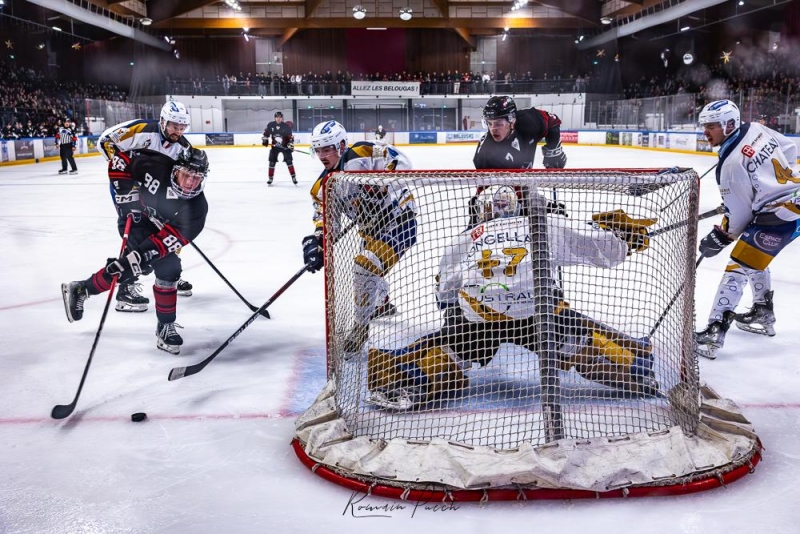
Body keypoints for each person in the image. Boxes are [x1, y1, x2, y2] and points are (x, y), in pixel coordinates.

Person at [366, 185, 659, 410]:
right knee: (579, 345)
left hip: (478, 314)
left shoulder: (467, 236)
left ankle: (407, 380)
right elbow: (601, 249)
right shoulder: (544, 224)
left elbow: (445, 290)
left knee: (452, 349)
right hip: (535, 313)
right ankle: (637, 371)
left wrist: (454, 316)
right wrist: (623, 238)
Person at [61, 148, 210, 355]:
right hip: (136, 217)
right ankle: (82, 289)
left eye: (196, 178)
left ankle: (82, 288)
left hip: (160, 230)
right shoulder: (156, 166)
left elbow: (166, 242)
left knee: (163, 267)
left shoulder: (197, 209)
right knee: (145, 266)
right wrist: (125, 195)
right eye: (186, 175)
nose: (189, 183)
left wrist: (140, 257)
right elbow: (119, 161)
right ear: (176, 169)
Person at [695, 99, 799, 359]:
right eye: (704, 126)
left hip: (780, 217)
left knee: (738, 265)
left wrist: (721, 236)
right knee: (754, 256)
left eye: (712, 126)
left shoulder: (730, 166)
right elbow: (790, 147)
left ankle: (714, 332)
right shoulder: (755, 129)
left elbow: (739, 217)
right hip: (795, 200)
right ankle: (763, 312)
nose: (706, 132)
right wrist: (772, 185)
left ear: (729, 125)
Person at [302, 120, 416, 352]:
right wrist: (317, 242)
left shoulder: (361, 153)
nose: (322, 155)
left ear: (342, 145)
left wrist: (384, 181)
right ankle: (381, 304)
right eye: (318, 150)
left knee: (364, 267)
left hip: (399, 220)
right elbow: (327, 224)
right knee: (369, 271)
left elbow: (401, 160)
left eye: (328, 148)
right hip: (371, 231)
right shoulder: (322, 188)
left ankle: (361, 328)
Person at [98, 101, 196, 313]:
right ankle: (125, 289)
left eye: (182, 128)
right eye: (173, 126)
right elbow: (106, 141)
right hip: (126, 188)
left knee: (169, 230)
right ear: (162, 121)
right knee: (135, 230)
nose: (177, 132)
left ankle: (168, 272)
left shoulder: (184, 148)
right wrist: (128, 177)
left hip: (156, 192)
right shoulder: (141, 131)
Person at [473, 96, 567, 171]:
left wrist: (553, 149)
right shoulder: (485, 152)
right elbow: (486, 187)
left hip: (526, 186)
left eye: (498, 124)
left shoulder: (530, 121)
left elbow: (553, 120)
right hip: (505, 190)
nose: (493, 129)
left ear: (512, 121)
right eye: (489, 123)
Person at [262, 111, 297, 185]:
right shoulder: (271, 125)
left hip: (285, 147)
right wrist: (265, 140)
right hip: (275, 147)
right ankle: (270, 178)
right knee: (272, 162)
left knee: (289, 162)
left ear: (282, 118)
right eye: (277, 117)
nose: (278, 118)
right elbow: (266, 133)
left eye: (280, 117)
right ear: (275, 118)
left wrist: (290, 146)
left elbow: (290, 137)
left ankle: (293, 177)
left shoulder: (286, 126)